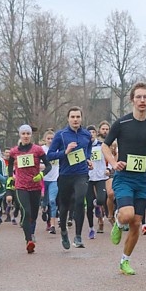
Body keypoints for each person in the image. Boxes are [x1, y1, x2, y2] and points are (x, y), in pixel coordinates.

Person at [101, 82, 146, 275]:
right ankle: (118, 223)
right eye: (139, 97)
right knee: (127, 215)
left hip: (143, 179)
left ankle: (124, 261)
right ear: (132, 100)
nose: (142, 100)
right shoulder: (122, 124)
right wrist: (113, 162)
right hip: (125, 177)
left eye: (145, 97)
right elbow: (105, 145)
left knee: (136, 222)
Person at [47, 107, 93, 249]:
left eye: (78, 117)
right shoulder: (61, 135)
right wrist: (65, 152)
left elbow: (88, 149)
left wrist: (88, 159)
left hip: (81, 174)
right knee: (64, 206)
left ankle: (78, 236)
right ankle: (64, 232)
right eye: (72, 117)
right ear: (68, 118)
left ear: (81, 118)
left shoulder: (86, 134)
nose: (75, 119)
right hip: (65, 175)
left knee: (80, 200)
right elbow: (49, 155)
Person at [9, 125, 52, 253]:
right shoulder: (14, 152)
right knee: (26, 212)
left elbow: (48, 166)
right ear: (20, 135)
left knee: (33, 214)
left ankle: (30, 231)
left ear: (31, 135)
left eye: (28, 133)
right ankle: (29, 240)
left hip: (35, 186)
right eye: (23, 133)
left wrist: (41, 175)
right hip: (21, 186)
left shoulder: (38, 150)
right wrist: (10, 178)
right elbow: (10, 167)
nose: (26, 136)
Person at [85, 124, 110, 238]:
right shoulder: (83, 147)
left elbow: (109, 157)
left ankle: (98, 205)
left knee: (101, 199)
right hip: (88, 178)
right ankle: (91, 228)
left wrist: (109, 168)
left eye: (93, 132)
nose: (91, 135)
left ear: (96, 134)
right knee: (89, 205)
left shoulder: (102, 145)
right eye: (89, 133)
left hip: (100, 176)